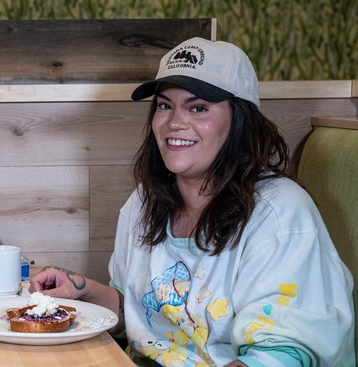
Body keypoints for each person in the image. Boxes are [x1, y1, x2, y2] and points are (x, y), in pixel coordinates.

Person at [31, 38, 354, 366]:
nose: (174, 123)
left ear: (240, 120)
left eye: (198, 108)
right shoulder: (144, 201)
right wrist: (82, 289)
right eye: (164, 106)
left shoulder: (280, 213)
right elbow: (137, 312)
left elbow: (280, 357)